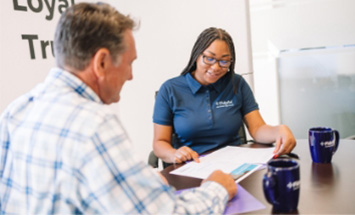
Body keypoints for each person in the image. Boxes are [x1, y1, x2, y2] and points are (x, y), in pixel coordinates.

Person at [0, 3, 236, 214]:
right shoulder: (94, 125)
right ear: (101, 62)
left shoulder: (16, 111)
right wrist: (216, 188)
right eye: (129, 63)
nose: (131, 76)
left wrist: (143, 184)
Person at [153, 27, 296, 165]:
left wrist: (279, 130)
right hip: (193, 166)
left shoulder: (236, 83)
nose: (216, 67)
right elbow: (160, 143)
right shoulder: (170, 90)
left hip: (235, 166)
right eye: (209, 58)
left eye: (224, 61)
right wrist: (173, 154)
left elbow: (258, 129)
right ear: (197, 54)